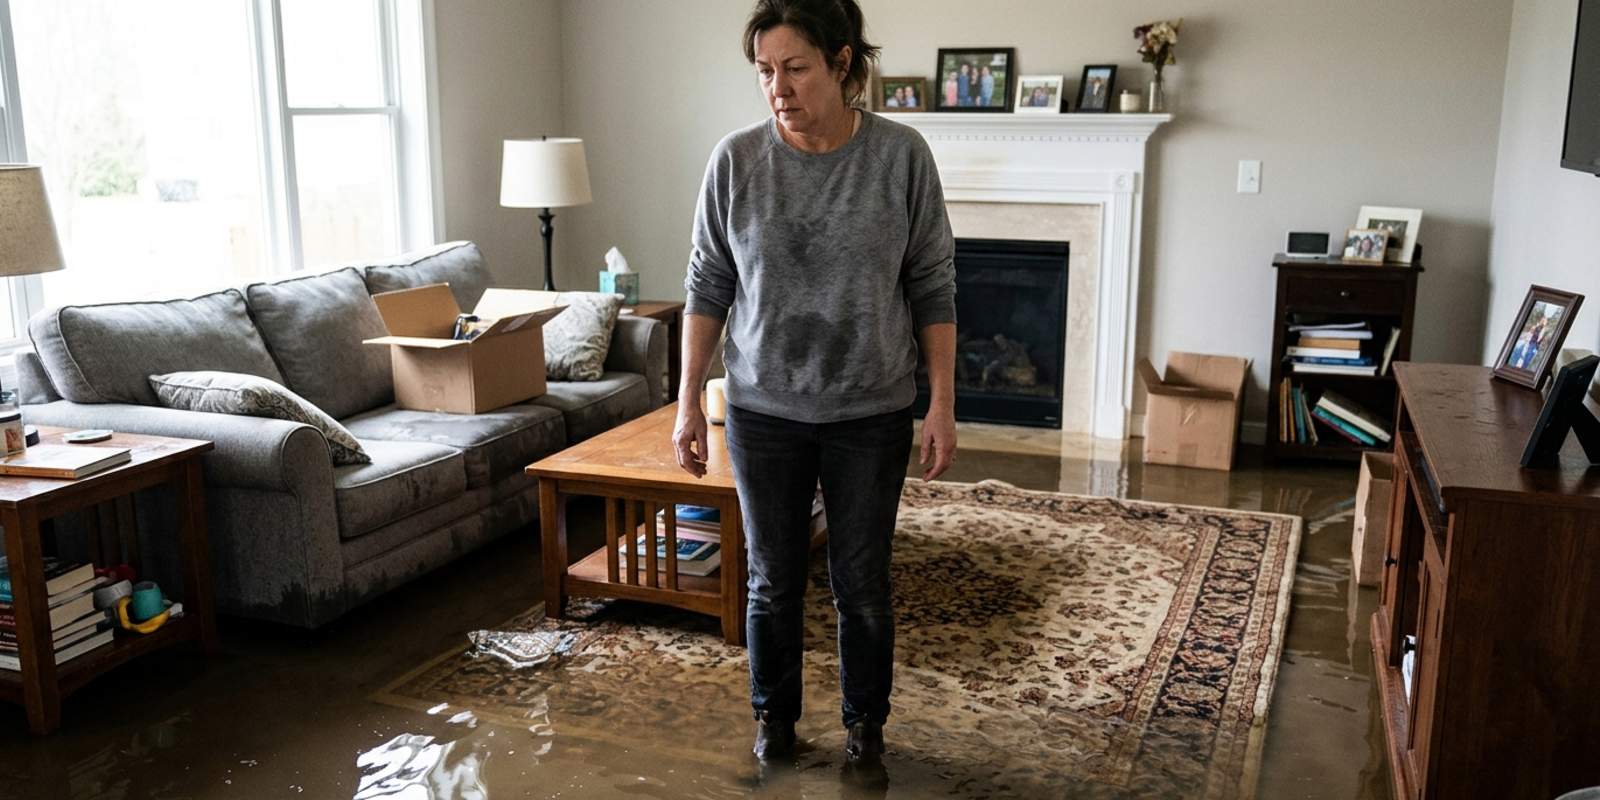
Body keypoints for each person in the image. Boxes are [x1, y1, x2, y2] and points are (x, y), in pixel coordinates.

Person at [676, 0, 958, 768]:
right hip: (764, 408)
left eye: (795, 67)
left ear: (842, 62)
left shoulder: (901, 156)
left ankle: (867, 727)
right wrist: (686, 406)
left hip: (872, 408)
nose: (778, 87)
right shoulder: (734, 161)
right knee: (771, 581)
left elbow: (932, 284)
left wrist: (941, 403)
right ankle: (775, 721)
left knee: (861, 582)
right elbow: (708, 285)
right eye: (765, 72)